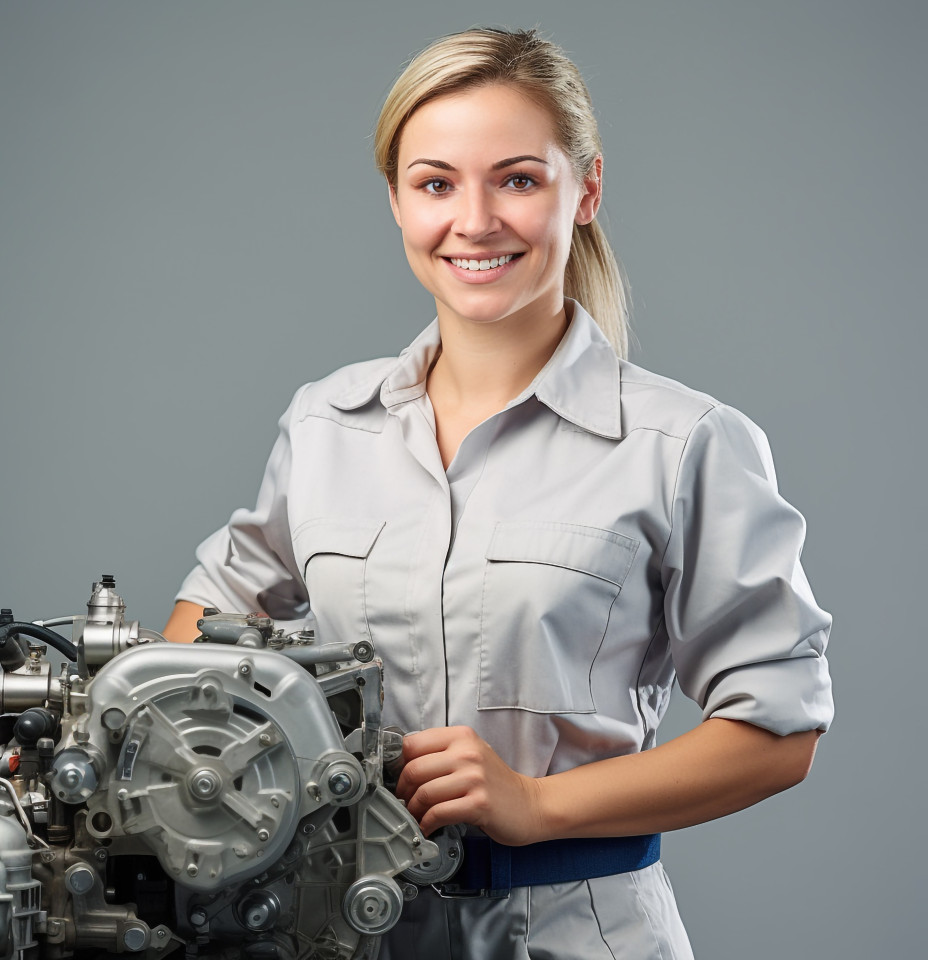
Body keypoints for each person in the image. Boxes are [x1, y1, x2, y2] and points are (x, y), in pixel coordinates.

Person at [163, 27, 833, 960]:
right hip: (344, 934)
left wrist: (539, 802)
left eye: (518, 179)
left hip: (577, 932)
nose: (474, 221)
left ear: (586, 190)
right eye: (436, 183)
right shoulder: (325, 425)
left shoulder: (684, 445)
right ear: (397, 201)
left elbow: (779, 730)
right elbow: (197, 637)